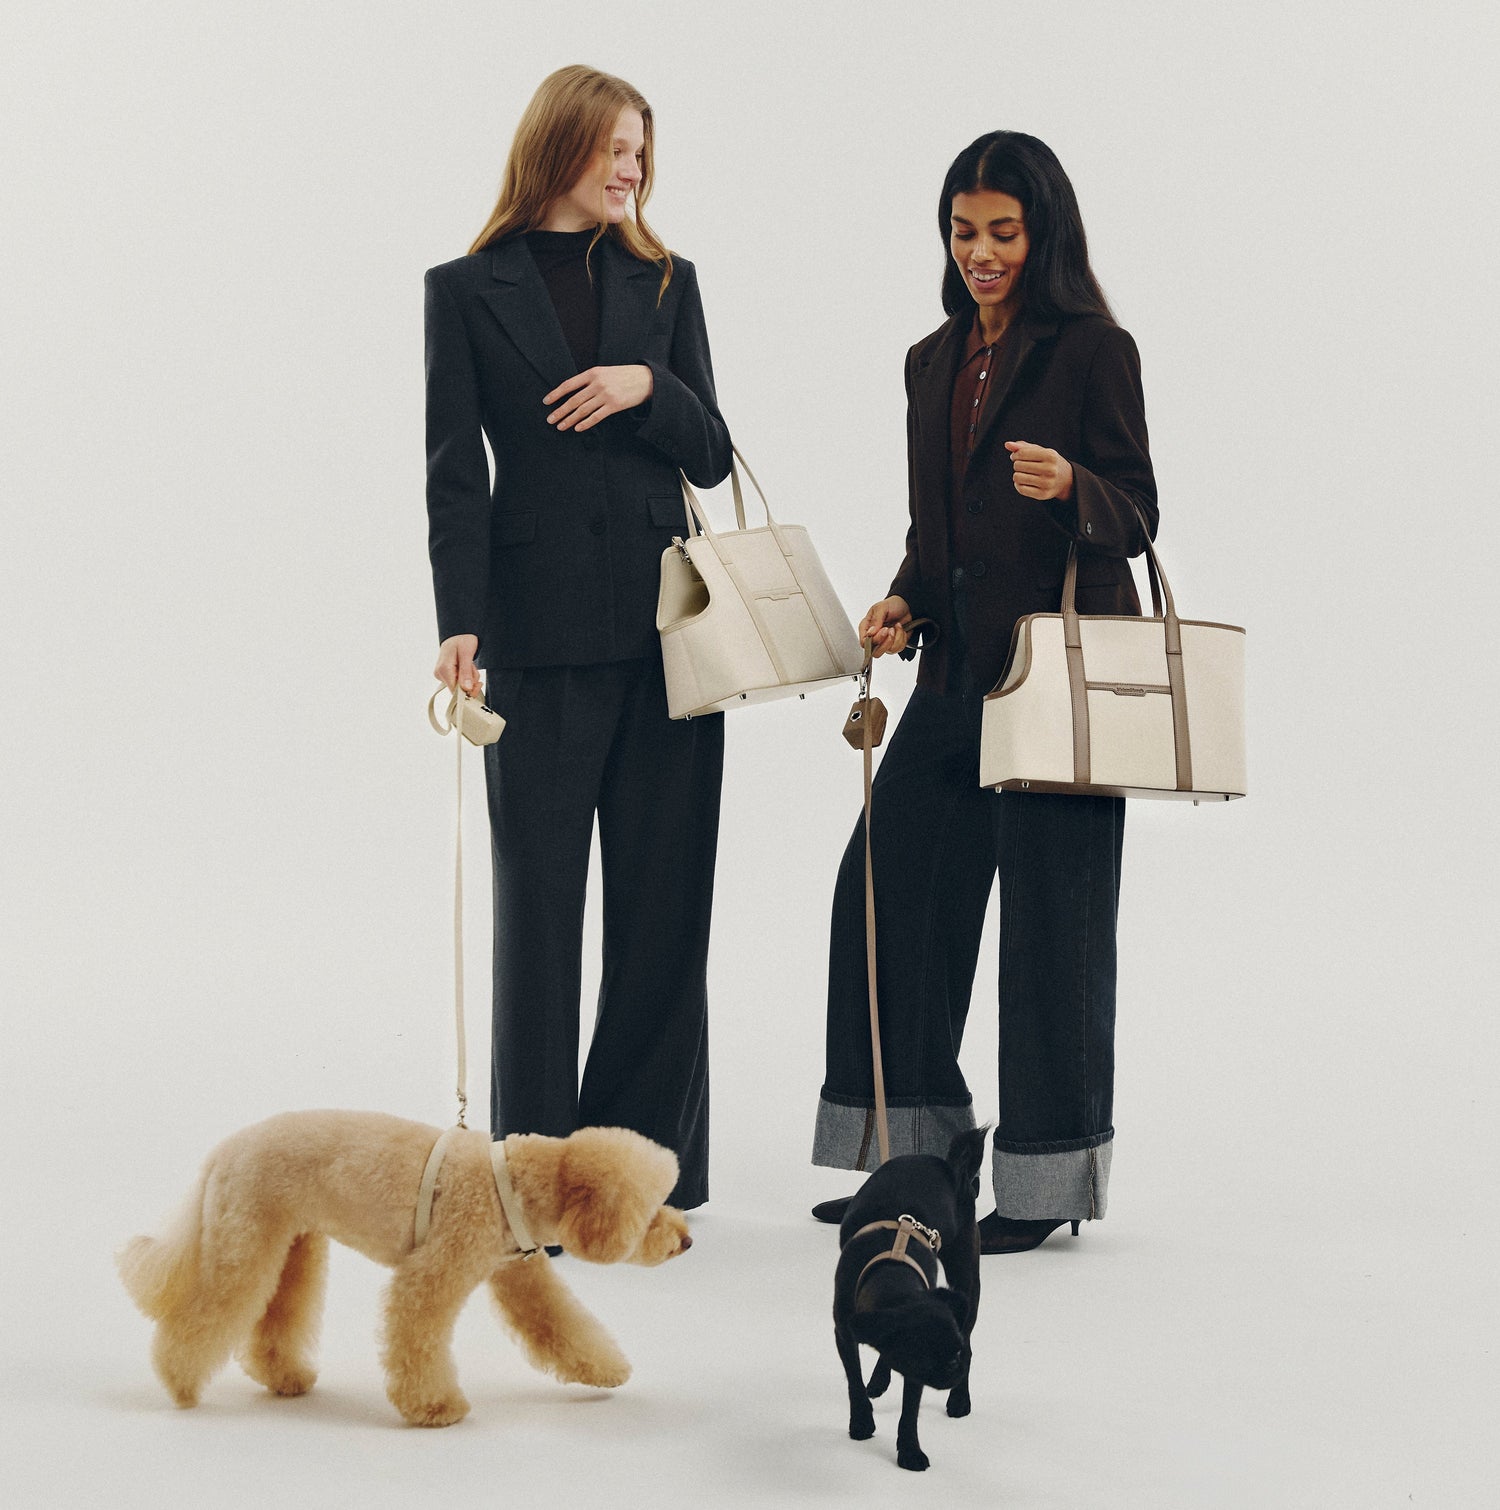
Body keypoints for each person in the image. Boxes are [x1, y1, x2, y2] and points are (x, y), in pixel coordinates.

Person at [811, 131, 1158, 1253]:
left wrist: (1077, 486)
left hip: (1054, 679)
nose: (982, 253)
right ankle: (912, 1157)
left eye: (1002, 232)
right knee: (887, 891)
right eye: (964, 233)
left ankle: (1047, 1185)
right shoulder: (931, 360)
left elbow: (1141, 510)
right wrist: (904, 603)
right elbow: (936, 530)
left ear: (1041, 231)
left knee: (1054, 928)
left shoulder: (1094, 352)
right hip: (956, 673)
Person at [424, 65, 732, 1210]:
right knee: (539, 914)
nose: (631, 170)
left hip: (672, 640)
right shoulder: (463, 291)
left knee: (664, 912)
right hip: (538, 635)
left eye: (642, 152)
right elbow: (455, 477)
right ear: (559, 146)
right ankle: (533, 1178)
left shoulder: (665, 282)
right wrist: (459, 623)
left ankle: (641, 1177)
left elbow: (710, 447)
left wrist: (643, 382)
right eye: (613, 148)